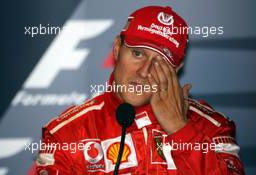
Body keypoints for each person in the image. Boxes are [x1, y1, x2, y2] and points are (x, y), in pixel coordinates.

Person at [36, 6, 244, 175]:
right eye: (137, 53)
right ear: (117, 48)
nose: (144, 71)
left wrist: (180, 130)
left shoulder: (212, 127)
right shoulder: (66, 135)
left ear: (176, 69)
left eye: (160, 62)